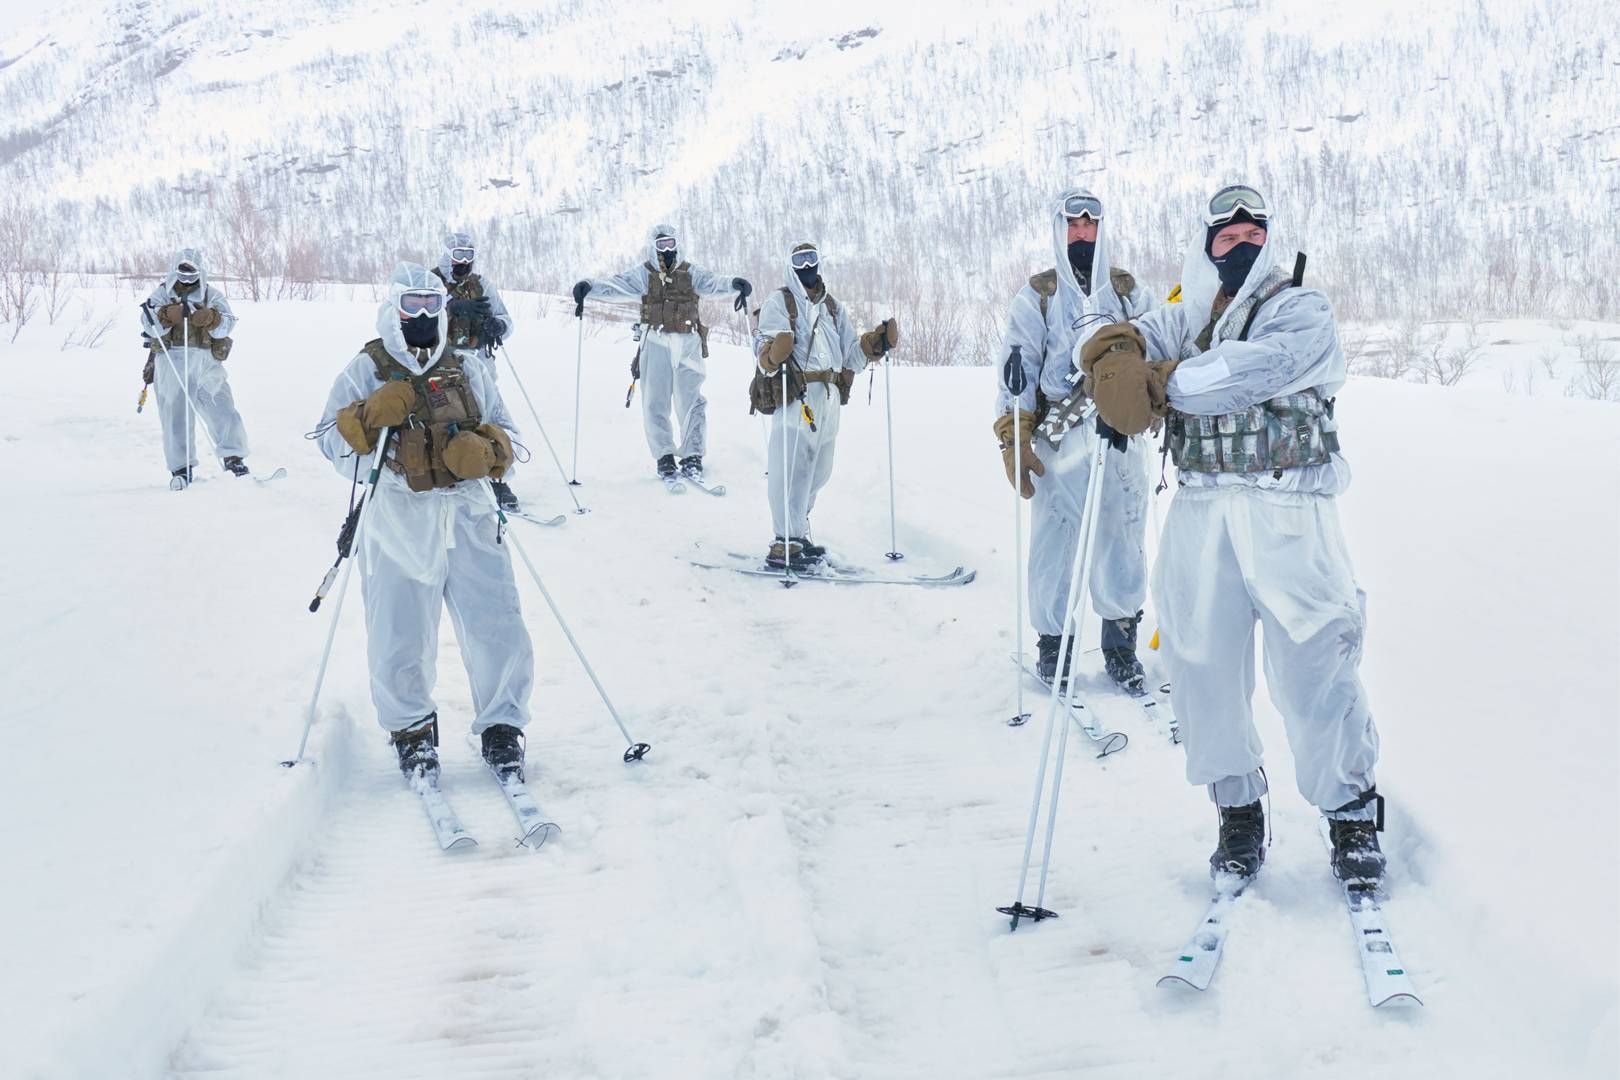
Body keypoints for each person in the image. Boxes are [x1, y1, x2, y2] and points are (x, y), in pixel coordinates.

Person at [1076, 184, 1384, 888]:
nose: (1240, 244)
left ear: (1268, 240)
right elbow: (1104, 342)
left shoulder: (1299, 308)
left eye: (1253, 234)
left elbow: (1246, 374)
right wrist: (1109, 355)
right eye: (1226, 236)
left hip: (1289, 511)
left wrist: (1154, 381)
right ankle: (1238, 811)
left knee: (1317, 661)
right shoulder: (1183, 312)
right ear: (1207, 242)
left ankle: (1351, 815)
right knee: (1198, 663)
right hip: (1201, 507)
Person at [315, 262, 533, 783]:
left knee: (496, 621)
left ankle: (502, 727)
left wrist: (489, 451)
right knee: (399, 628)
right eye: (411, 305)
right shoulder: (365, 368)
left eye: (432, 304)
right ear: (393, 308)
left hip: (470, 512)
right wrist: (368, 417)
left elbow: (510, 434)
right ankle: (411, 731)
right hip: (397, 513)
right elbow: (327, 439)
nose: (422, 315)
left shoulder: (467, 366)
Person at [992, 188, 1156, 688]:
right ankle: (1054, 644)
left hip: (1120, 434)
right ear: (1060, 229)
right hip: (1059, 439)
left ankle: (1121, 642)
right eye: (1073, 225)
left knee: (1123, 534)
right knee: (1056, 539)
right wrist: (1014, 436)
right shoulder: (1037, 296)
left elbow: (1157, 347)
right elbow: (1016, 370)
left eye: (1090, 225)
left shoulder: (1128, 291)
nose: (1082, 234)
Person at [753, 242, 898, 569]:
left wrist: (875, 344)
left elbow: (851, 356)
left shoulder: (833, 307)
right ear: (791, 265)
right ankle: (783, 541)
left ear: (819, 262)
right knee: (790, 469)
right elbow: (763, 349)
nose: (807, 266)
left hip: (830, 396)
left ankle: (799, 533)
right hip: (797, 394)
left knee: (818, 471)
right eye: (799, 260)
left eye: (811, 259)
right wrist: (774, 352)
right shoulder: (781, 301)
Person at [572, 224, 751, 482]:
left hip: (687, 343)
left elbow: (713, 283)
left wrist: (734, 284)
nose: (667, 250)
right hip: (654, 342)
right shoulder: (643, 274)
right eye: (661, 245)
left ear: (678, 244)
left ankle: (692, 456)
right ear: (652, 246)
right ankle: (664, 456)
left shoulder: (690, 272)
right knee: (654, 401)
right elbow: (616, 285)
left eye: (670, 243)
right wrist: (590, 286)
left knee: (691, 401)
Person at [138, 248, 252, 489]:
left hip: (207, 361)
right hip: (173, 361)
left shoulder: (212, 295)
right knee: (176, 414)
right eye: (183, 271)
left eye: (192, 272)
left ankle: (234, 458)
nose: (187, 277)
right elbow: (150, 326)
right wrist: (169, 315)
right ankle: (181, 468)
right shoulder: (162, 294)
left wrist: (211, 318)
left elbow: (227, 325)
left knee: (222, 407)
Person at [432, 231, 521, 511]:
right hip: (441, 363)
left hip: (479, 362)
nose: (464, 261)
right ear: (447, 256)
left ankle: (497, 478)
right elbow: (413, 320)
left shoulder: (481, 285)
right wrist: (450, 307)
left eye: (469, 255)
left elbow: (505, 318)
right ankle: (449, 471)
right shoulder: (430, 283)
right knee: (447, 420)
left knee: (487, 418)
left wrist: (498, 327)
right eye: (459, 255)